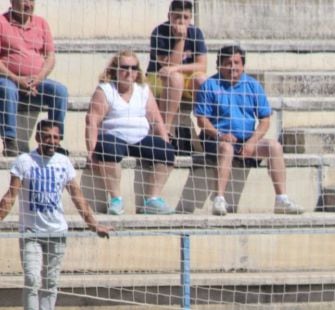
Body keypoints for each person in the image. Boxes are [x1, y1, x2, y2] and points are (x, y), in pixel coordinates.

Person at [0, 120, 111, 310]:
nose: (52, 141)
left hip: (57, 232)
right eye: (47, 137)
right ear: (38, 138)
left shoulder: (63, 162)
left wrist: (94, 224)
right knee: (32, 279)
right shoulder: (24, 161)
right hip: (31, 232)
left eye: (56, 137)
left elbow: (77, 195)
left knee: (50, 282)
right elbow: (11, 195)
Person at [194, 44, 303, 216]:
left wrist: (252, 141)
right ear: (219, 65)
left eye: (237, 63)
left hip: (246, 140)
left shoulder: (252, 86)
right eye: (228, 63)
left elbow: (265, 120)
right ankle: (219, 199)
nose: (233, 67)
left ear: (243, 65)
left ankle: (282, 198)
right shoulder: (209, 86)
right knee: (226, 147)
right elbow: (201, 121)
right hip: (216, 139)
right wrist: (220, 135)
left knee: (274, 146)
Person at [84, 51, 176, 216]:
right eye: (124, 67)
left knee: (167, 151)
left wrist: (165, 141)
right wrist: (91, 151)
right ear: (114, 69)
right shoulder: (105, 90)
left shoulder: (143, 89)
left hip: (140, 138)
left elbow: (156, 119)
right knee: (107, 147)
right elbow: (92, 121)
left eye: (134, 68)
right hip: (114, 137)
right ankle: (116, 199)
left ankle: (152, 200)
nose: (129, 72)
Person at [0, 0, 67, 157]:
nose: (28, 5)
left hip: (36, 81)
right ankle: (9, 140)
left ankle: (56, 140)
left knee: (60, 91)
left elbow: (50, 57)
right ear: (12, 1)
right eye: (24, 0)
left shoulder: (41, 23)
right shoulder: (1, 23)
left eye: (31, 0)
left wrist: (38, 78)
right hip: (8, 79)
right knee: (7, 89)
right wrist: (17, 79)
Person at [146, 0, 206, 147]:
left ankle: (206, 128)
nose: (181, 21)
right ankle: (165, 129)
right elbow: (167, 67)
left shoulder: (196, 33)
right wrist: (180, 40)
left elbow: (202, 66)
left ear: (190, 18)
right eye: (177, 16)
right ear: (169, 16)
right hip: (157, 77)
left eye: (186, 17)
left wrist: (175, 69)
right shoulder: (159, 32)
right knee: (175, 79)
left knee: (202, 79)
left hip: (181, 74)